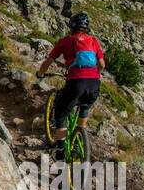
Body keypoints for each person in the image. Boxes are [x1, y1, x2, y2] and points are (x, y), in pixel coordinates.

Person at [35, 12, 105, 155]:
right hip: (94, 83)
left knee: (61, 114)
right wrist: (93, 74)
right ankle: (79, 137)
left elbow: (49, 61)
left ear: (72, 27)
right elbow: (102, 65)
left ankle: (60, 149)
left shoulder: (66, 41)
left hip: (76, 81)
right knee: (85, 106)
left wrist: (40, 74)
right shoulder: (93, 41)